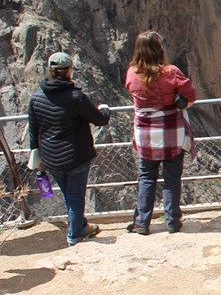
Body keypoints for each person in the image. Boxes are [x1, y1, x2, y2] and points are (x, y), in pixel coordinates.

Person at [26, 52, 112, 246]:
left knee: (69, 195)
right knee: (76, 198)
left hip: (51, 158)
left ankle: (81, 226)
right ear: (68, 72)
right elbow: (100, 120)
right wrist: (105, 109)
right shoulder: (76, 97)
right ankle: (74, 237)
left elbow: (34, 130)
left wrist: (36, 155)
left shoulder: (37, 98)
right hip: (75, 157)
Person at [124, 31, 197, 235]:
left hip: (146, 134)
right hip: (171, 131)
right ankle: (172, 220)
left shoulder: (132, 73)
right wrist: (177, 99)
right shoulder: (171, 72)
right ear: (159, 49)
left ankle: (141, 222)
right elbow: (191, 94)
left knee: (146, 177)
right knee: (172, 177)